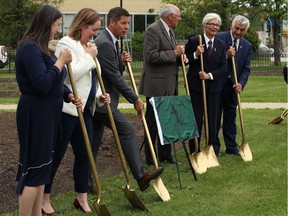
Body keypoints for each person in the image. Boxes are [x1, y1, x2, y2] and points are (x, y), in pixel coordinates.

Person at [42, 8, 110, 214]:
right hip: (66, 110)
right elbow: (67, 75)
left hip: (85, 111)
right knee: (57, 155)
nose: (95, 34)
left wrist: (99, 95)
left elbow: (92, 77)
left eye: (97, 30)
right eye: (93, 29)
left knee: (85, 155)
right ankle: (44, 199)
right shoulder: (66, 44)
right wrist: (89, 58)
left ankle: (81, 198)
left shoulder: (89, 46)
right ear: (82, 26)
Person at [91, 6, 164, 192]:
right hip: (101, 103)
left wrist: (121, 63)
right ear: (112, 22)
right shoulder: (105, 42)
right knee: (127, 131)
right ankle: (141, 177)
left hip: (103, 102)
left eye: (127, 23)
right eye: (123, 23)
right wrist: (135, 99)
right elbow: (115, 78)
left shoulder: (112, 42)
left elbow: (112, 72)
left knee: (93, 144)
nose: (126, 27)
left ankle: (86, 183)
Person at [15, 5, 77, 216]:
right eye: (57, 25)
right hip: (36, 114)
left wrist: (67, 94)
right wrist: (61, 61)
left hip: (48, 114)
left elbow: (53, 80)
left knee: (43, 168)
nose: (58, 30)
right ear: (46, 24)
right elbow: (42, 83)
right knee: (33, 170)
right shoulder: (29, 48)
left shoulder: (41, 48)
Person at [139, 4, 186, 165]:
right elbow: (151, 56)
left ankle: (165, 155)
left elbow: (171, 56)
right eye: (178, 16)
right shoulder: (153, 29)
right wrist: (174, 53)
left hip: (169, 84)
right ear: (170, 16)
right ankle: (151, 158)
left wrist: (181, 58)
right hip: (156, 85)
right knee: (152, 123)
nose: (179, 19)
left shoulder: (169, 31)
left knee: (167, 121)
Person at [185, 13, 226, 154]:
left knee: (213, 119)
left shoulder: (221, 44)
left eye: (217, 25)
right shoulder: (194, 41)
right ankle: (195, 150)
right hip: (197, 88)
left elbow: (223, 68)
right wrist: (196, 54)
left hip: (213, 88)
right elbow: (184, 61)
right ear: (205, 25)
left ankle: (212, 148)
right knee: (196, 119)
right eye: (212, 24)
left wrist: (209, 76)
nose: (214, 27)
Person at [214, 15, 253, 156]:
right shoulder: (218, 38)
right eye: (237, 28)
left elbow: (246, 69)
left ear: (245, 31)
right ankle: (214, 148)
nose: (238, 32)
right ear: (231, 26)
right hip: (217, 84)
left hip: (233, 87)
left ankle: (231, 146)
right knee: (215, 117)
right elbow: (211, 60)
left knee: (230, 116)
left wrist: (241, 84)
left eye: (242, 30)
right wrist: (225, 55)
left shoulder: (247, 46)